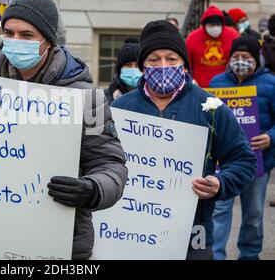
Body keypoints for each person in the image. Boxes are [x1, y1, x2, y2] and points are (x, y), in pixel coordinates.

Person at [0, 0, 128, 260]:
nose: (15, 42)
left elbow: (111, 165)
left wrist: (91, 189)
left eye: (27, 35)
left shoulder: (89, 99)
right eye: (9, 33)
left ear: (48, 41)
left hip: (60, 243)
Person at [111, 20, 256, 260]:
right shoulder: (120, 108)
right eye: (154, 60)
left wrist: (219, 183)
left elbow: (244, 161)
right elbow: (101, 160)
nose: (163, 65)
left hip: (192, 235)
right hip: (129, 231)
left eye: (171, 59)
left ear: (185, 65)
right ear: (143, 67)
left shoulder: (210, 108)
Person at [210, 36, 275, 260]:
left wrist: (270, 137)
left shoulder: (271, 83)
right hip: (223, 162)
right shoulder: (217, 83)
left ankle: (249, 255)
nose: (240, 60)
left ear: (256, 59)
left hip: (259, 161)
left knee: (254, 214)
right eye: (236, 56)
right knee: (219, 211)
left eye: (246, 57)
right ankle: (215, 255)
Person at [186, 5, 240, 88]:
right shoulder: (192, 38)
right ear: (204, 25)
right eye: (211, 25)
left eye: (218, 25)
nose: (215, 28)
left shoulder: (233, 35)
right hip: (200, 87)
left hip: (227, 87)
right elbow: (186, 63)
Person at [104, 37, 141, 103]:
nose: (133, 69)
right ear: (119, 69)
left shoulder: (154, 98)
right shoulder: (103, 98)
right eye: (128, 65)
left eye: (137, 65)